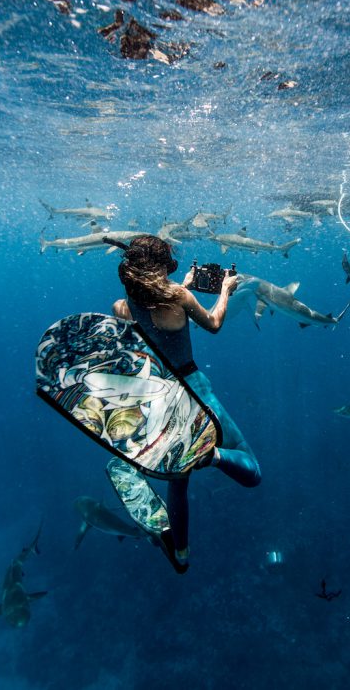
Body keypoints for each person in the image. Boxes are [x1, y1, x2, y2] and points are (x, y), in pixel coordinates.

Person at [112, 234, 261, 573]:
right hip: (194, 390)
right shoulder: (180, 297)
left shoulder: (122, 307)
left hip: (158, 399)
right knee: (252, 470)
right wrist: (225, 290)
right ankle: (212, 455)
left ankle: (181, 555)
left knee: (177, 483)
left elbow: (153, 313)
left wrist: (183, 285)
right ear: (161, 266)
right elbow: (214, 324)